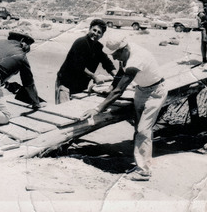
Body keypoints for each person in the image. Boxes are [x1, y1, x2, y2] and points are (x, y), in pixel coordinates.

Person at [81, 36, 167, 181]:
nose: (113, 57)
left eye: (115, 54)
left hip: (155, 92)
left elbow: (119, 91)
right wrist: (110, 86)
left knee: (143, 130)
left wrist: (97, 109)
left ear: (124, 49)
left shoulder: (136, 60)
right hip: (141, 90)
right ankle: (140, 161)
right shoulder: (127, 51)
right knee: (139, 128)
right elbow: (121, 72)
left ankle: (144, 171)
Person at [55, 19, 116, 104]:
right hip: (66, 82)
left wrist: (116, 76)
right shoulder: (80, 42)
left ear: (102, 35)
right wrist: (94, 76)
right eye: (94, 30)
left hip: (81, 83)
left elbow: (107, 63)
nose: (95, 34)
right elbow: (78, 65)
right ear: (89, 29)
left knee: (76, 106)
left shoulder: (98, 47)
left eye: (99, 32)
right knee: (64, 108)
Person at [198, 0, 207, 68]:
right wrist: (201, 14)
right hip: (205, 22)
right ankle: (204, 60)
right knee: (204, 42)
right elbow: (199, 9)